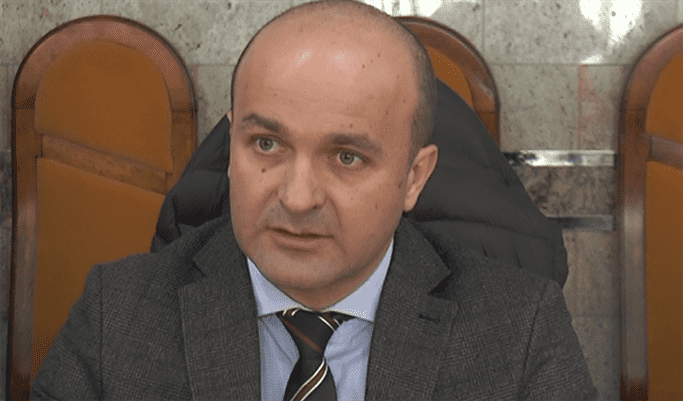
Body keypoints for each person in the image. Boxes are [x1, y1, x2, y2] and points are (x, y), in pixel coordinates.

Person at [31, 0, 599, 399]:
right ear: (231, 145)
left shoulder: (518, 330)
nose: (297, 198)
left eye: (346, 157)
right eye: (266, 144)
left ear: (413, 177)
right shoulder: (117, 316)